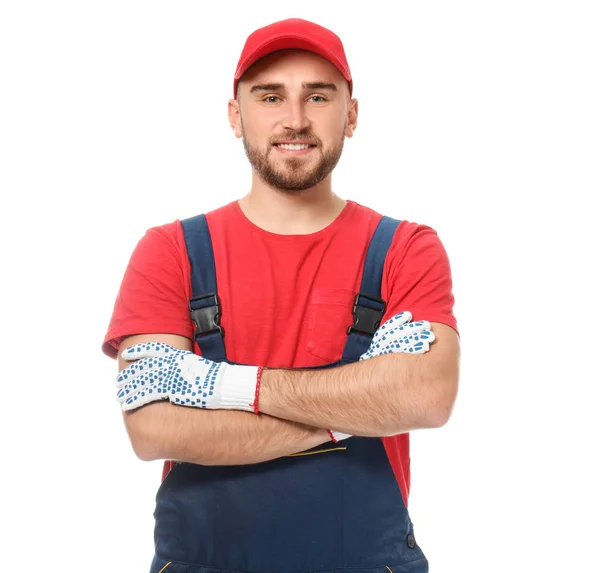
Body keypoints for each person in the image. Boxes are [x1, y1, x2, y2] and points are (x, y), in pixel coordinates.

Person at [103, 17, 460, 573]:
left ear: (352, 114)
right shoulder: (169, 251)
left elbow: (428, 396)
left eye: (318, 95)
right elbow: (152, 428)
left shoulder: (405, 249)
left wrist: (213, 386)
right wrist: (358, 407)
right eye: (270, 96)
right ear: (235, 115)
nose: (295, 119)